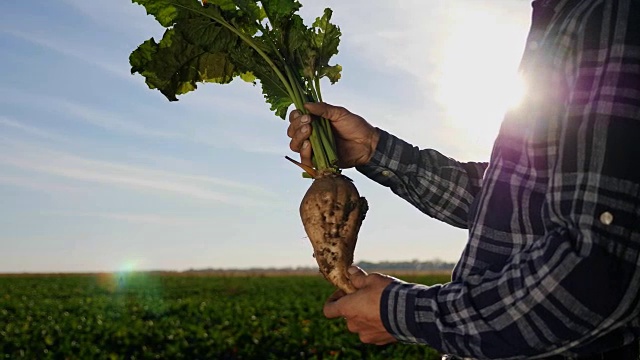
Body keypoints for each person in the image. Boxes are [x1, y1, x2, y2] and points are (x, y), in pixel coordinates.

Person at [287, 0, 640, 359]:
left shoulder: (608, 16)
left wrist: (404, 314)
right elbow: (516, 198)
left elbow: (595, 273)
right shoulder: (565, 18)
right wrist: (372, 149)